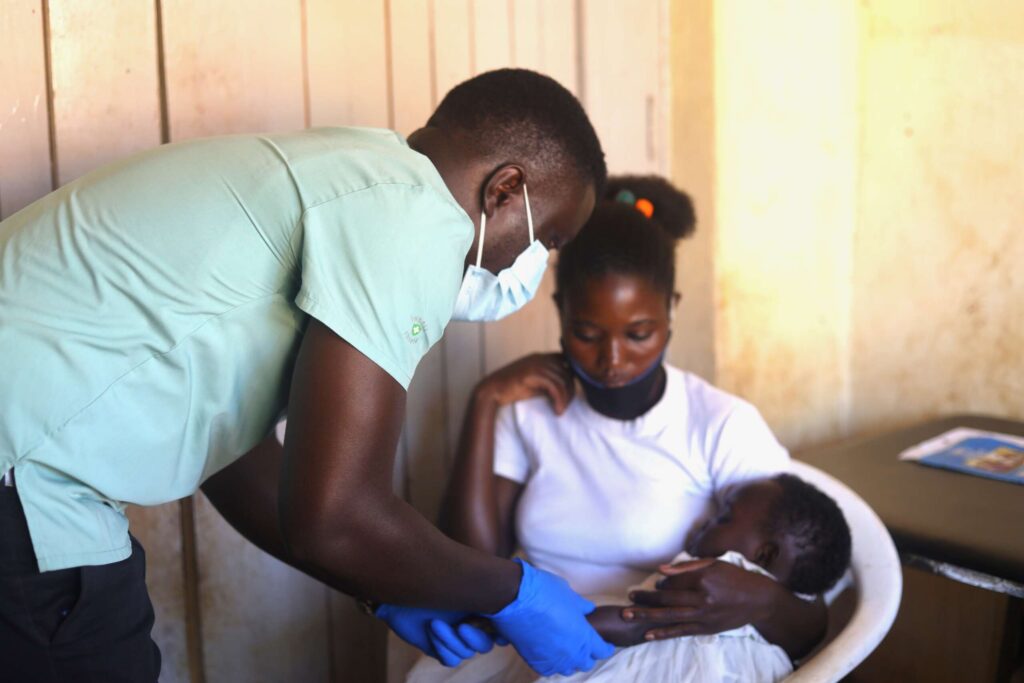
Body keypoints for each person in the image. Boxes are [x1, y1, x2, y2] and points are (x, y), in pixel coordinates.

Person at [0, 69, 615, 681]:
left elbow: (231, 458)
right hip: (25, 477)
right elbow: (335, 517)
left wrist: (385, 586)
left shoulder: (356, 173)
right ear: (505, 189)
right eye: (548, 239)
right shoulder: (416, 219)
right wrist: (516, 590)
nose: (529, 266)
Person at [422, 176, 829, 678]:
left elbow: (814, 607)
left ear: (672, 310)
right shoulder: (528, 411)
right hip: (536, 647)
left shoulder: (720, 425)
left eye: (639, 333)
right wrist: (483, 404)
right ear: (560, 312)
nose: (612, 360)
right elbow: (472, 564)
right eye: (587, 333)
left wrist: (762, 601)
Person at [408, 473, 852, 682]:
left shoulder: (722, 577)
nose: (703, 525)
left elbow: (635, 619)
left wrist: (535, 621)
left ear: (765, 554)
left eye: (724, 517)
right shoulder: (771, 635)